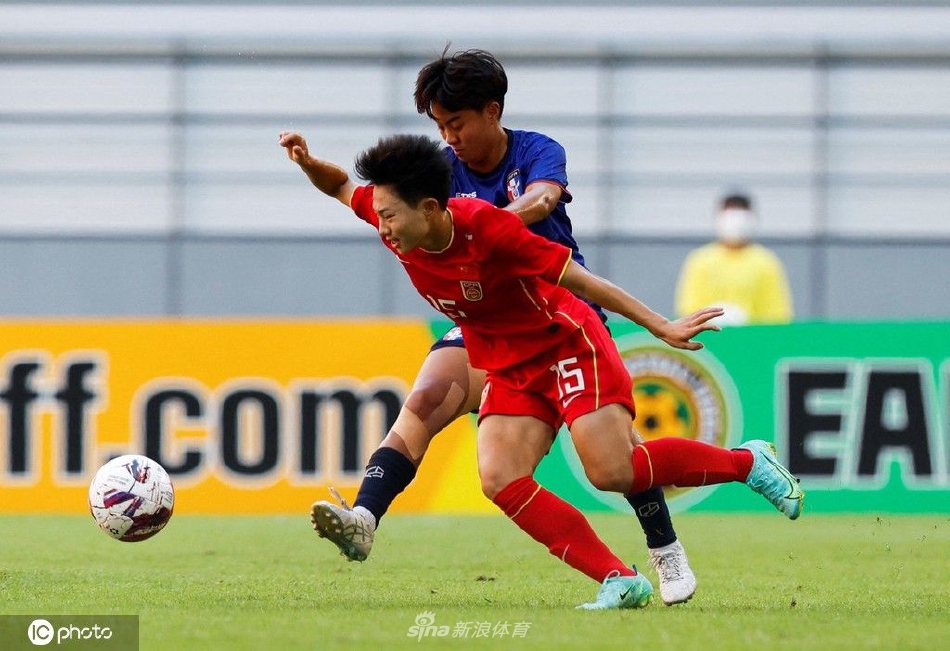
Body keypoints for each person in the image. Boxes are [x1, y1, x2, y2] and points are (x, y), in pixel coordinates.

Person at [277, 130, 805, 610]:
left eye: (390, 216)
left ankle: (746, 462)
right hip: (506, 359)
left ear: (432, 208)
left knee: (612, 471)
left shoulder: (488, 228)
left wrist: (659, 325)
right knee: (499, 477)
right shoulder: (395, 215)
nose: (382, 226)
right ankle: (618, 579)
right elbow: (343, 187)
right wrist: (306, 163)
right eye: (381, 214)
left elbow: (580, 280)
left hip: (565, 342)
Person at [289, 48, 697, 606]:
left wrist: (484, 231)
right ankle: (364, 516)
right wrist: (309, 162)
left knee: (615, 459)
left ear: (491, 110)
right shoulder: (432, 175)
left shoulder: (536, 151)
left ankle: (663, 543)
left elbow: (543, 197)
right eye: (438, 125)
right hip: (483, 320)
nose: (448, 136)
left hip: (554, 309)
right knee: (430, 399)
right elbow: (354, 193)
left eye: (455, 123)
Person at [675, 192, 794, 326]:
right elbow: (688, 307)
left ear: (752, 219)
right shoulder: (700, 260)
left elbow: (777, 313)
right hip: (706, 339)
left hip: (753, 340)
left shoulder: (766, 262)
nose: (735, 223)